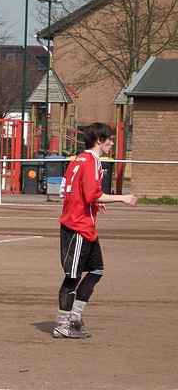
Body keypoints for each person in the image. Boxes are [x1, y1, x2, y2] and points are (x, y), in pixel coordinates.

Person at [52, 123, 137, 339]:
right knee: (72, 277)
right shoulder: (90, 161)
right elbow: (91, 194)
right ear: (99, 140)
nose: (111, 142)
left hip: (84, 225)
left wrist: (95, 204)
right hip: (77, 226)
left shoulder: (79, 159)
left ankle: (75, 318)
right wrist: (122, 197)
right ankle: (63, 323)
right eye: (108, 139)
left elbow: (73, 191)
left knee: (97, 270)